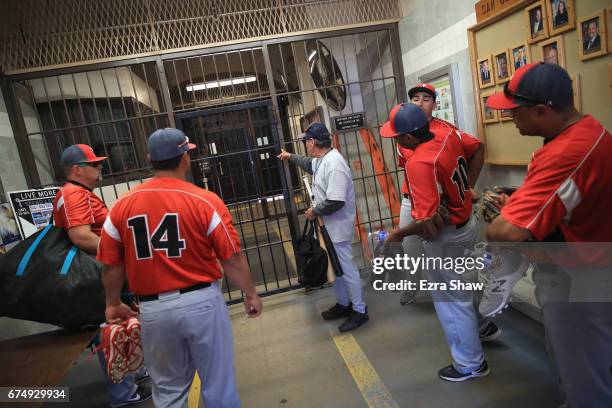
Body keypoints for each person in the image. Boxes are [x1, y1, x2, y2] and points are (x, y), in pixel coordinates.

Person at [97, 128, 263, 407]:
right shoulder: (205, 200)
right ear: (185, 156)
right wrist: (251, 294)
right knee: (218, 386)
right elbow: (232, 259)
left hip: (152, 310)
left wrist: (112, 303)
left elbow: (111, 265)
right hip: (202, 303)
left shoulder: (121, 206)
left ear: (150, 159)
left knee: (169, 391)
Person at [485, 63, 612, 407]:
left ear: (541, 111)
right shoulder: (585, 131)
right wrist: (520, 202)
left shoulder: (565, 152)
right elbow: (568, 198)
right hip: (585, 270)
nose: (511, 116)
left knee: (586, 382)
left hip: (579, 279)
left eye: (516, 110)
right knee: (581, 369)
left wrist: (497, 220)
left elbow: (507, 232)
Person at [381, 104, 495, 382]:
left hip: (447, 235)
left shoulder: (418, 162)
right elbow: (476, 147)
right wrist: (465, 190)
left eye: (397, 136)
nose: (395, 140)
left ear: (408, 138)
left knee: (451, 301)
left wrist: (398, 234)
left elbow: (430, 225)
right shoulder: (448, 135)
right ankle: (480, 331)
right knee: (460, 291)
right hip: (466, 223)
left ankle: (470, 364)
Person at [52, 144, 151, 407]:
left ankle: (137, 373)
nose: (100, 168)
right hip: (99, 274)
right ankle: (124, 394)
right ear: (76, 169)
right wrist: (119, 250)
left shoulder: (75, 192)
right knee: (111, 334)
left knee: (125, 325)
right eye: (94, 164)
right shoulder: (74, 194)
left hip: (101, 272)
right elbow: (80, 235)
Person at [398, 83, 485, 306]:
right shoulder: (403, 135)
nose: (419, 102)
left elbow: (477, 148)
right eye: (415, 98)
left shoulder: (446, 131)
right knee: (410, 250)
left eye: (426, 98)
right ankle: (412, 285)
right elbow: (407, 168)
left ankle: (458, 304)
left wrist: (467, 187)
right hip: (412, 200)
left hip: (442, 206)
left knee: (442, 256)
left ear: (434, 104)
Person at [277, 122, 368, 332]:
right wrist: (290, 156)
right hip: (328, 227)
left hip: (336, 226)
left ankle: (360, 310)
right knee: (333, 267)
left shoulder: (334, 163)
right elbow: (309, 164)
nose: (305, 145)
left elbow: (336, 201)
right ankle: (344, 304)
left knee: (346, 268)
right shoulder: (323, 160)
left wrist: (314, 212)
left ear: (312, 141)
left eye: (306, 141)